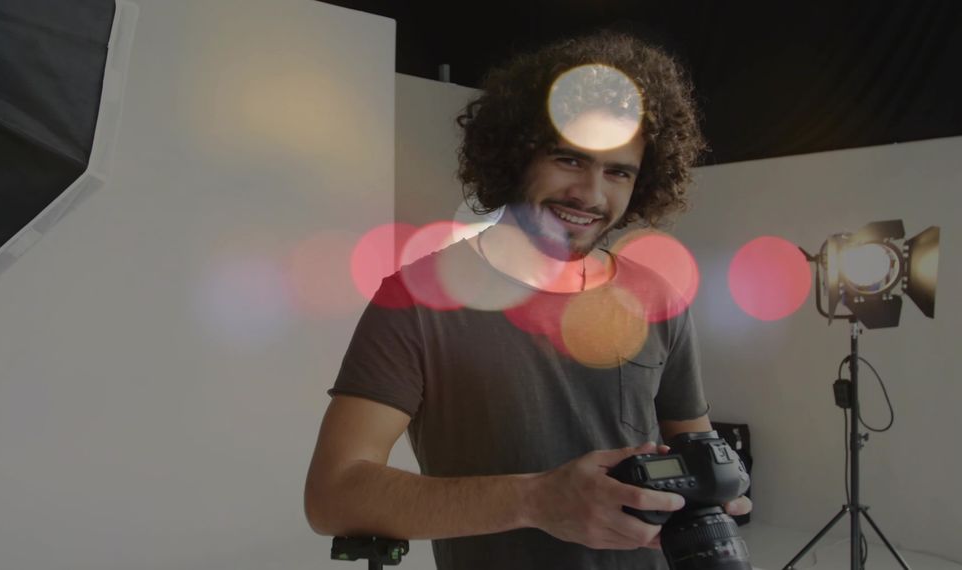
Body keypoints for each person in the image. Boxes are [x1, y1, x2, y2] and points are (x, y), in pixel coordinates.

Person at [304, 30, 752, 570]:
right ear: (516, 155)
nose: (590, 194)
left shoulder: (657, 297)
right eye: (568, 159)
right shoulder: (419, 299)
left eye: (617, 172)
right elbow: (334, 495)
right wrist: (537, 499)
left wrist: (719, 493)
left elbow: (697, 451)